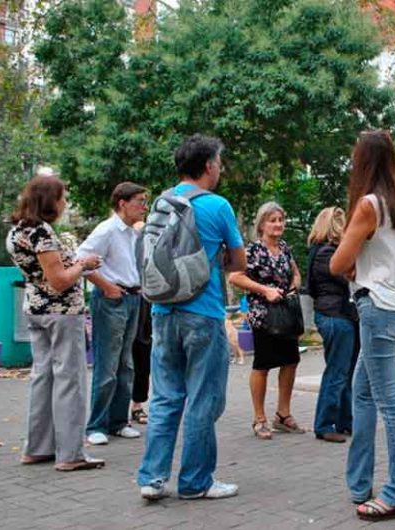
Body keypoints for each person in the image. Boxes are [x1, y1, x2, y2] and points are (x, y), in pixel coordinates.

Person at [137, 134, 246, 500]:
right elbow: (239, 263)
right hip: (203, 312)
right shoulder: (218, 206)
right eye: (219, 162)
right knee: (203, 400)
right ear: (209, 166)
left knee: (166, 398)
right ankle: (196, 482)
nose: (221, 168)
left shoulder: (160, 203)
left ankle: (151, 479)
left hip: (163, 310)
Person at [330, 130, 395, 522]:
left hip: (378, 308)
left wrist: (352, 260)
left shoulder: (368, 205)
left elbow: (336, 264)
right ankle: (358, 482)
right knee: (363, 392)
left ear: (362, 161)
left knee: (387, 402)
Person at [6, 171, 105, 472]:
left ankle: (37, 447)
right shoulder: (42, 233)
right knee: (70, 381)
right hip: (61, 313)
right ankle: (70, 454)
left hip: (36, 310)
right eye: (62, 198)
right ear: (50, 201)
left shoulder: (16, 231)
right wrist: (83, 265)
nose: (64, 203)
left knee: (43, 378)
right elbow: (59, 280)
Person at [78, 182, 148, 445]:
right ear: (122, 203)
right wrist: (107, 287)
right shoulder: (107, 230)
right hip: (111, 300)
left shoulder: (132, 233)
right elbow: (80, 260)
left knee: (126, 364)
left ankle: (119, 421)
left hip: (132, 298)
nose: (144, 207)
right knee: (107, 364)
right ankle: (96, 424)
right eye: (139, 201)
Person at [229, 202, 304, 440]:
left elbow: (295, 273)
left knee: (290, 361)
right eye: (273, 220)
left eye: (281, 220)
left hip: (287, 314)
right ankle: (259, 418)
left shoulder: (284, 248)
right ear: (262, 224)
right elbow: (235, 277)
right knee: (263, 365)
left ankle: (283, 414)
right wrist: (264, 290)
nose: (278, 224)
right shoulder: (252, 250)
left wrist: (294, 286)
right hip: (264, 316)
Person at [307, 207, 359, 444]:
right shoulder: (327, 253)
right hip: (336, 316)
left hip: (332, 314)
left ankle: (345, 421)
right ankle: (325, 424)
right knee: (337, 372)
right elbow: (350, 275)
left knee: (343, 371)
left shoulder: (319, 251)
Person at [130, 221, 151, 425]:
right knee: (119, 358)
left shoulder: (147, 232)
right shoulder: (111, 231)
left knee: (142, 352)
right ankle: (113, 409)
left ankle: (137, 404)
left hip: (145, 299)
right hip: (119, 298)